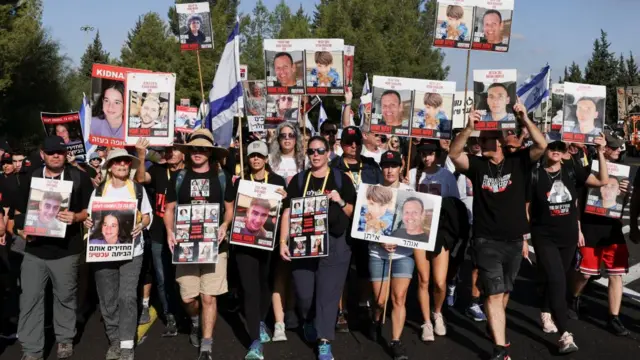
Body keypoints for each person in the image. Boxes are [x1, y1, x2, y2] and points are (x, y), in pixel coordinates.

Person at [448, 99, 547, 360]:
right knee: (493, 293)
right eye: (481, 138)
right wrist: (469, 129)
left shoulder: (518, 161)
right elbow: (454, 154)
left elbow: (542, 145)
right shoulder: (478, 166)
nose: (482, 142)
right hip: (486, 241)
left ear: (500, 141)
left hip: (514, 241)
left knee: (503, 292)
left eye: (487, 138)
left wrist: (524, 118)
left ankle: (496, 328)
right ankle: (501, 349)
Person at [12, 136, 93, 360]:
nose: (55, 155)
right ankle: (31, 350)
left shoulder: (79, 177)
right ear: (42, 154)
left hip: (67, 251)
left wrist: (76, 216)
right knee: (29, 299)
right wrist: (21, 231)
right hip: (34, 251)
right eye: (50, 152)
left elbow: (90, 209)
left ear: (66, 153)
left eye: (59, 151)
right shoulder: (31, 178)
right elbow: (17, 214)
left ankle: (65, 338)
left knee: (65, 297)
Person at [527, 138, 609, 354]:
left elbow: (602, 181)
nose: (555, 151)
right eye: (551, 147)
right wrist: (524, 237)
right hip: (544, 236)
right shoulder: (535, 174)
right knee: (557, 279)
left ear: (565, 152)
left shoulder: (572, 170)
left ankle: (546, 310)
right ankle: (564, 334)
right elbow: (527, 208)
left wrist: (600, 152)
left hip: (568, 237)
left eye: (559, 148)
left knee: (559, 279)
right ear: (546, 150)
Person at [280, 136, 356, 360]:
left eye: (320, 150)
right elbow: (287, 211)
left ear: (328, 153)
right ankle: (310, 319)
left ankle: (325, 340)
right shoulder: (299, 180)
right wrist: (283, 241)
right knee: (304, 293)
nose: (315, 154)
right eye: (312, 151)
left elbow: (354, 212)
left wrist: (340, 201)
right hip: (304, 243)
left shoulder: (341, 179)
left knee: (328, 294)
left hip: (335, 242)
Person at [163, 129, 235, 360]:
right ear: (188, 151)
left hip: (216, 246)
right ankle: (195, 320)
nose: (198, 152)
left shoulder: (222, 176)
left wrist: (225, 224)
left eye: (203, 148)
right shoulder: (179, 177)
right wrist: (169, 232)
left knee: (208, 297)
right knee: (188, 297)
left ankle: (206, 343)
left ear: (210, 152)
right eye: (194, 148)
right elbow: (169, 210)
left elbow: (231, 209)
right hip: (186, 246)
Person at [84, 148, 152, 360]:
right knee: (108, 298)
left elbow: (148, 216)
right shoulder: (98, 191)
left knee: (127, 297)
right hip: (103, 253)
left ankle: (126, 344)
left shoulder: (138, 189)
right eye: (117, 162)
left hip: (133, 252)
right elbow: (89, 217)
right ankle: (114, 339)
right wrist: (87, 222)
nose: (122, 165)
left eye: (125, 162)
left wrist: (141, 224)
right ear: (110, 167)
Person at [571, 132, 631, 337]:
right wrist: (578, 227)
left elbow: (622, 204)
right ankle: (574, 296)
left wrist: (625, 192)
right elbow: (577, 200)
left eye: (619, 148)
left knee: (616, 273)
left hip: (612, 227)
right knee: (586, 273)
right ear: (604, 148)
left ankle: (614, 317)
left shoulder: (623, 172)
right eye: (613, 147)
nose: (618, 151)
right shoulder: (588, 169)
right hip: (590, 226)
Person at [231, 140, 288, 359]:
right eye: (252, 156)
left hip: (267, 245)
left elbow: (285, 210)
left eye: (260, 156)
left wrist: (284, 198)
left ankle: (261, 321)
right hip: (244, 244)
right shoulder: (241, 182)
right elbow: (232, 208)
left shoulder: (277, 181)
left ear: (266, 159)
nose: (256, 159)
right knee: (250, 289)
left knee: (264, 285)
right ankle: (254, 342)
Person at [330, 125, 383, 331]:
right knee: (340, 269)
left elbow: (383, 192)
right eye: (348, 142)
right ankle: (339, 311)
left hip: (367, 225)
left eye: (357, 142)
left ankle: (362, 305)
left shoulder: (371, 166)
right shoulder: (333, 166)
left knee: (364, 269)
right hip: (341, 224)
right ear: (341, 144)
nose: (353, 146)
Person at [407, 142, 459, 342]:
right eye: (423, 154)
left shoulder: (446, 175)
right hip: (418, 232)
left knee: (439, 281)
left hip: (441, 233)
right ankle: (426, 321)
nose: (426, 157)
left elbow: (455, 203)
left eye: (430, 154)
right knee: (423, 279)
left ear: (436, 155)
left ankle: (438, 312)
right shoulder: (412, 174)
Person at [367, 150, 414, 360]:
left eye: (393, 165)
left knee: (399, 298)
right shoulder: (373, 192)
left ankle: (396, 341)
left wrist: (401, 238)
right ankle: (376, 319)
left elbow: (417, 224)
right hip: (377, 252)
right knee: (380, 301)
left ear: (400, 167)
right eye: (386, 165)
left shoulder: (410, 191)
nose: (389, 170)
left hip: (403, 254)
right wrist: (380, 239)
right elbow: (365, 223)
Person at [135, 140, 185, 336]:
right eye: (168, 149)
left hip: (184, 233)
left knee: (182, 277)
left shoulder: (189, 172)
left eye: (176, 150)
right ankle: (169, 314)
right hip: (158, 232)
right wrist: (141, 156)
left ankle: (187, 313)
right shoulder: (158, 170)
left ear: (184, 153)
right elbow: (140, 179)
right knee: (162, 277)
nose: (171, 153)